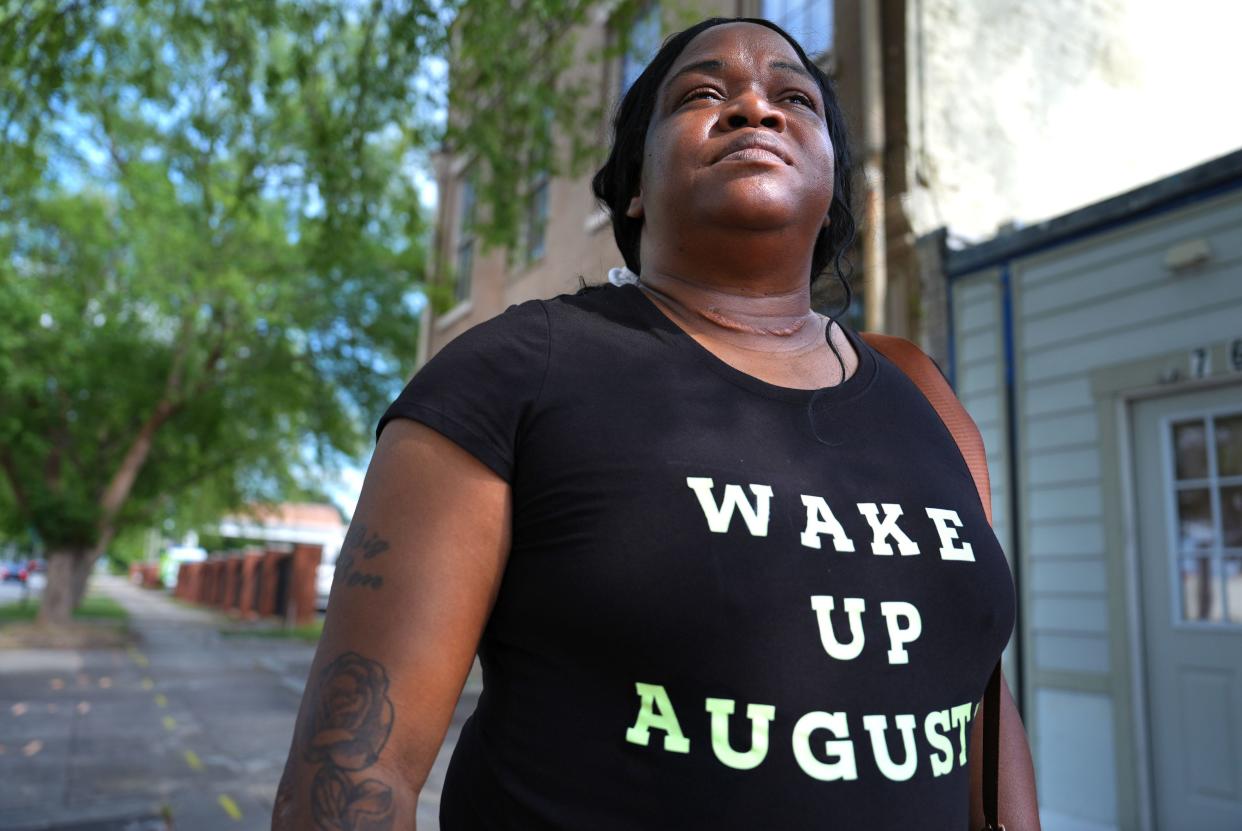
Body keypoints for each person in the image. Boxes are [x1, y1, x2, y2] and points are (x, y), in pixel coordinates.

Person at [273, 17, 1040, 830]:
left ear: (832, 186)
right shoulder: (514, 372)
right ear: (636, 184)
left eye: (794, 97)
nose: (754, 107)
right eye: (702, 93)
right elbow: (356, 775)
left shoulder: (923, 395)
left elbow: (976, 697)